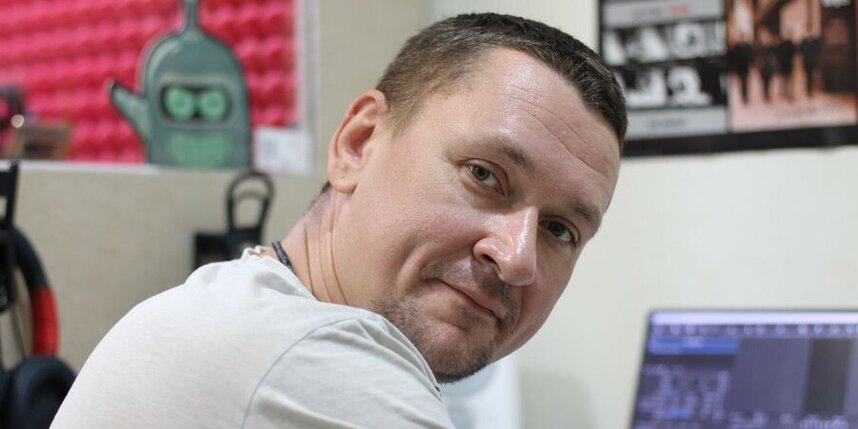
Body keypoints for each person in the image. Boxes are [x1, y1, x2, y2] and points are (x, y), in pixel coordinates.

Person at [51, 12, 626, 429]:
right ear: (358, 143)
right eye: (483, 174)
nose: (517, 257)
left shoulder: (238, 307)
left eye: (559, 230)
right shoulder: (318, 362)